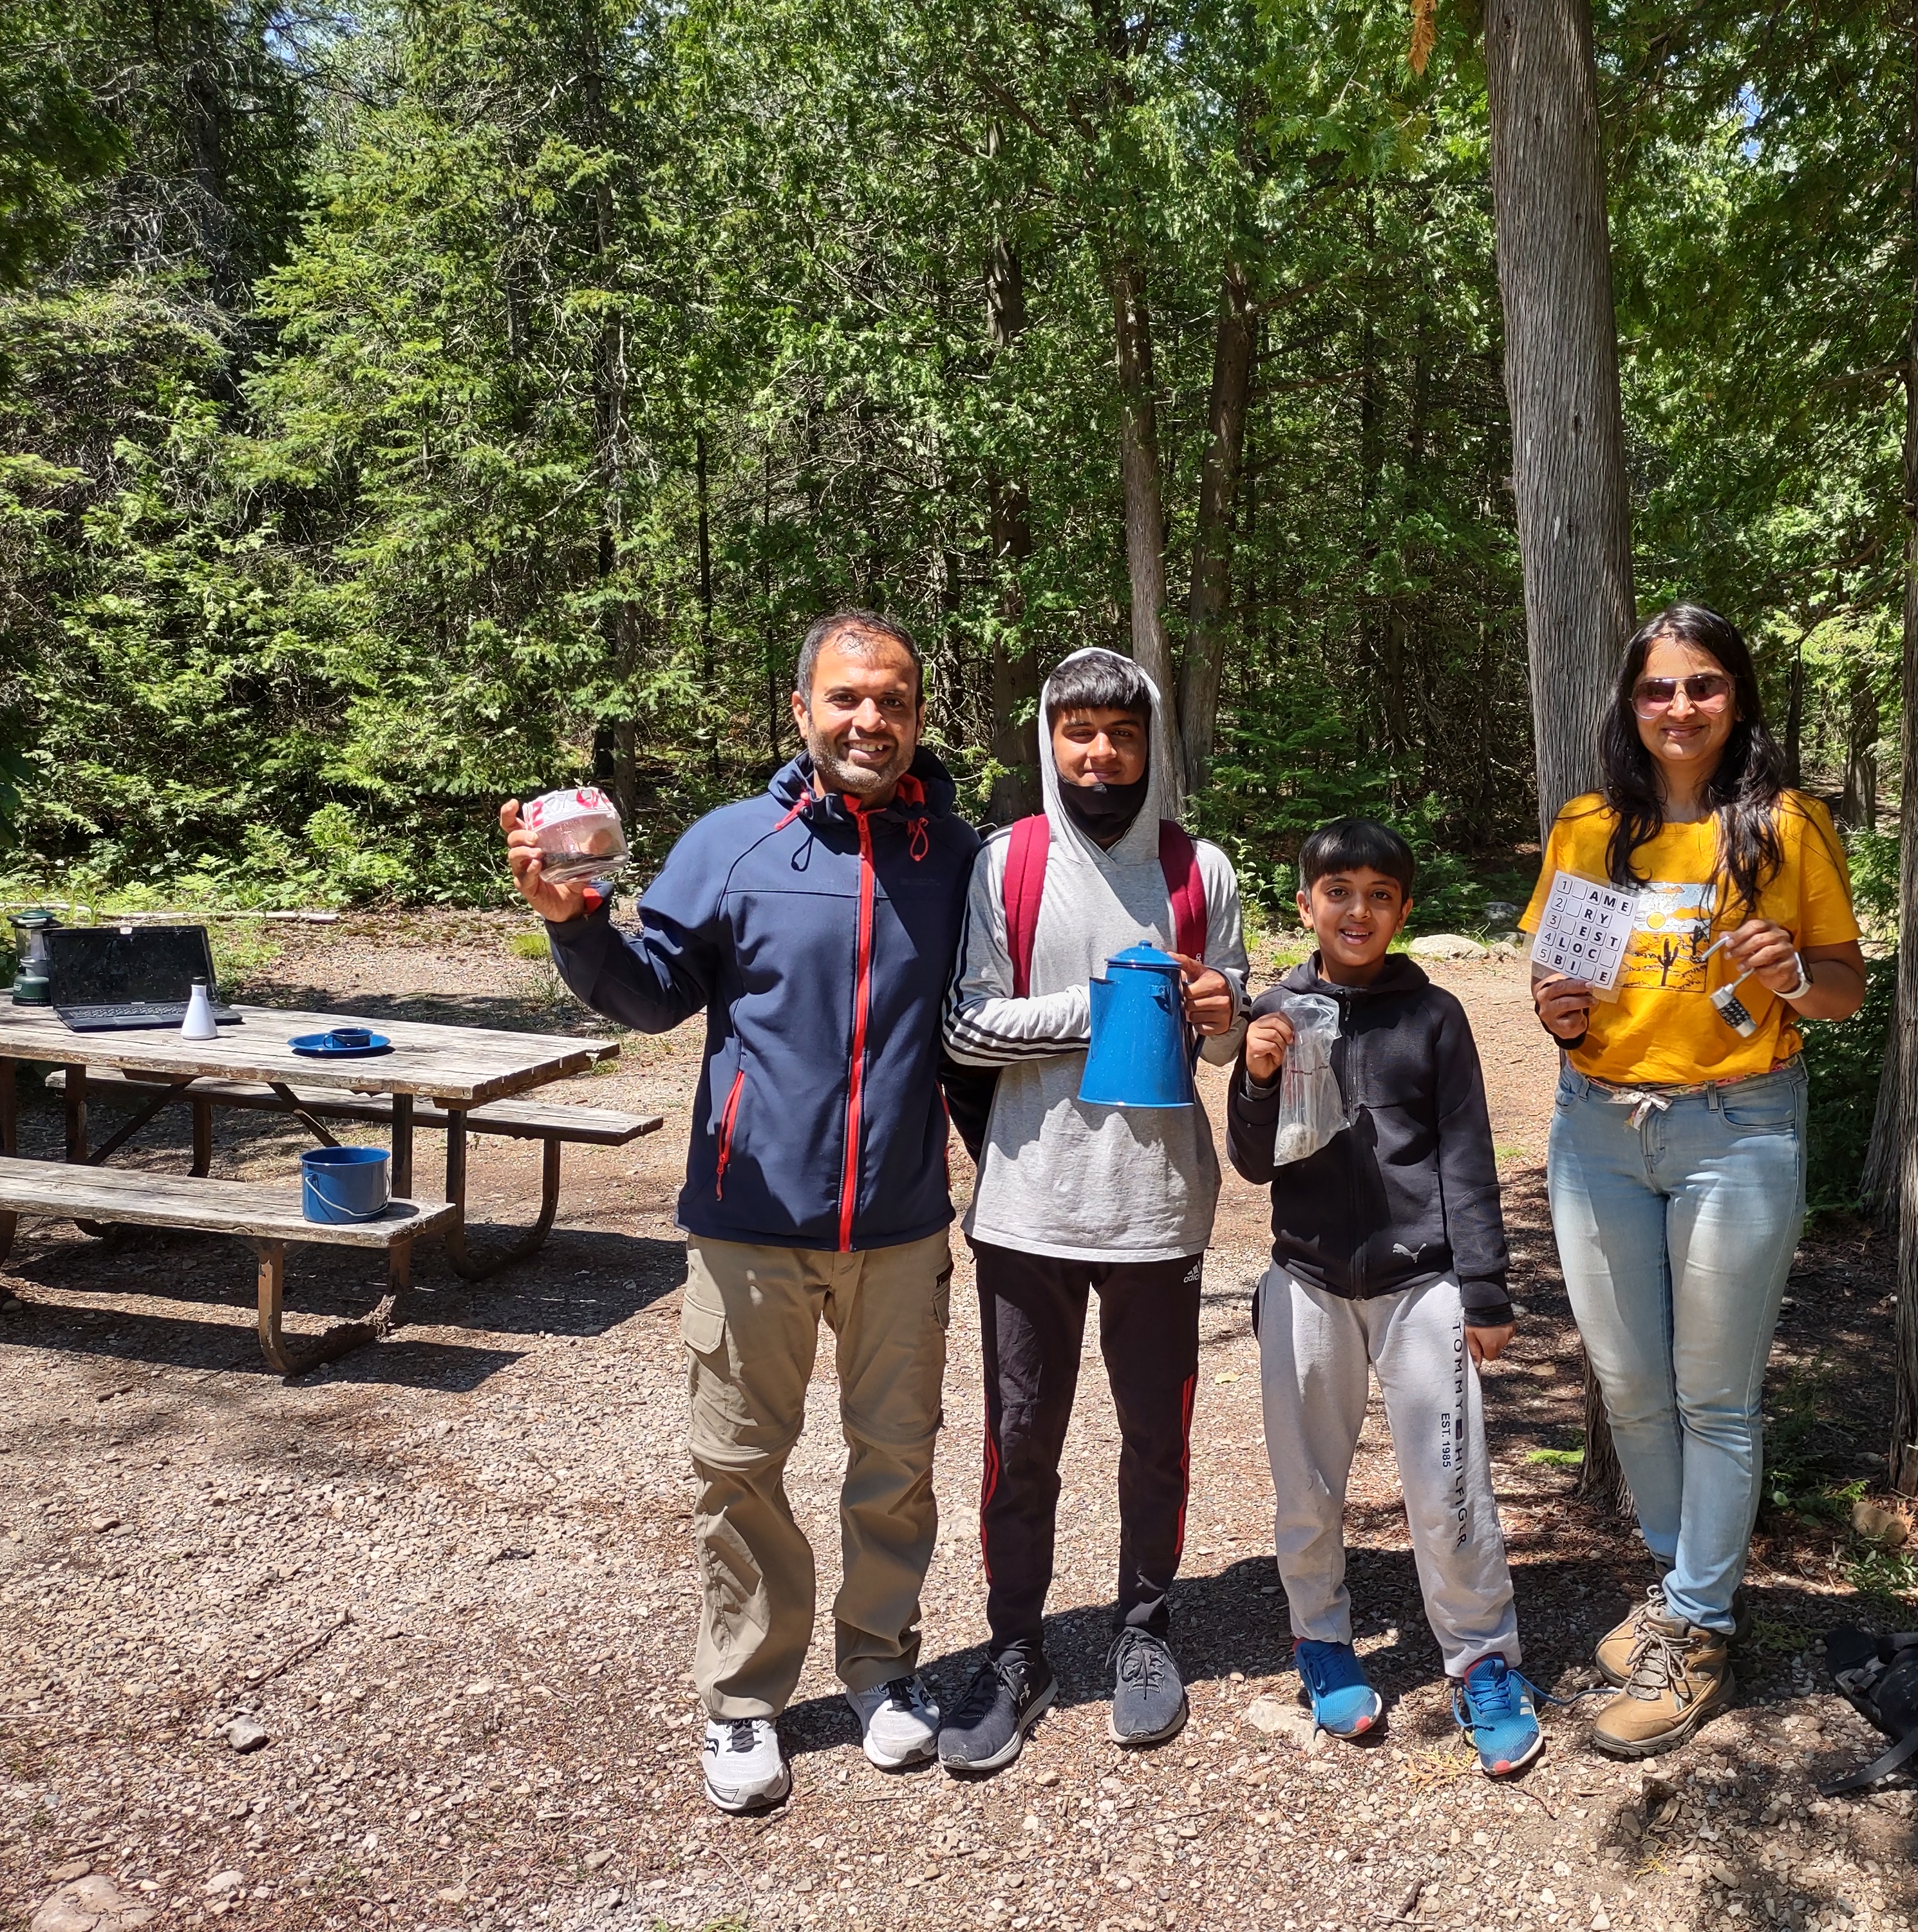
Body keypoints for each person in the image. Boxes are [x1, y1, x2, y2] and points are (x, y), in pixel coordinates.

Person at [501, 612, 979, 1813]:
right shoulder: (731, 842)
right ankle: (745, 1700)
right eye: (846, 698)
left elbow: (980, 1028)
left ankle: (882, 1670)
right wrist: (574, 923)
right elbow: (653, 993)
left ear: (919, 716)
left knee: (896, 1461)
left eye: (893, 699)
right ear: (803, 710)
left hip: (902, 1222)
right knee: (739, 1469)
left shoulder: (956, 856)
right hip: (750, 1219)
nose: (870, 720)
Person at [1523, 603, 1866, 1760]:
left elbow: (1842, 993)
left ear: (1737, 698)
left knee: (1714, 1394)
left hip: (1738, 1127)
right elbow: (1560, 989)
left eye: (1704, 685)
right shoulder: (1590, 827)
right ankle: (1681, 1592)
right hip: (1597, 1128)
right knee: (1629, 1386)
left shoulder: (1785, 826)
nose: (1681, 707)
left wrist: (1793, 974)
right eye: (1659, 688)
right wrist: (1556, 1011)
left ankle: (1701, 1627)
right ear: (1632, 705)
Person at [939, 647, 1248, 1772]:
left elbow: (1227, 1038)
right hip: (1028, 1206)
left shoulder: (1200, 869)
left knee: (1156, 1438)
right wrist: (1106, 1004)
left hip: (1158, 1210)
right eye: (1079, 732)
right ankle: (1016, 1650)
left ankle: (1145, 1631)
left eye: (1121, 733)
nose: (1101, 754)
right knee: (1020, 1441)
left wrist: (1217, 1009)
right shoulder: (1007, 864)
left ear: (1151, 743)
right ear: (1049, 739)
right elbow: (966, 1027)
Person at [1228, 819, 1546, 1777]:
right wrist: (1258, 1076)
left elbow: (1468, 1156)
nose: (1357, 911)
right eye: (1338, 893)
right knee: (1307, 1487)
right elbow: (1252, 1163)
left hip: (1424, 1287)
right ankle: (1321, 1639)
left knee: (1450, 1486)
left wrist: (1485, 1291)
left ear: (1404, 910)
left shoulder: (1434, 1015)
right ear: (1305, 906)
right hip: (1306, 1282)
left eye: (1378, 895)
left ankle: (1483, 1659)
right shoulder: (1277, 1012)